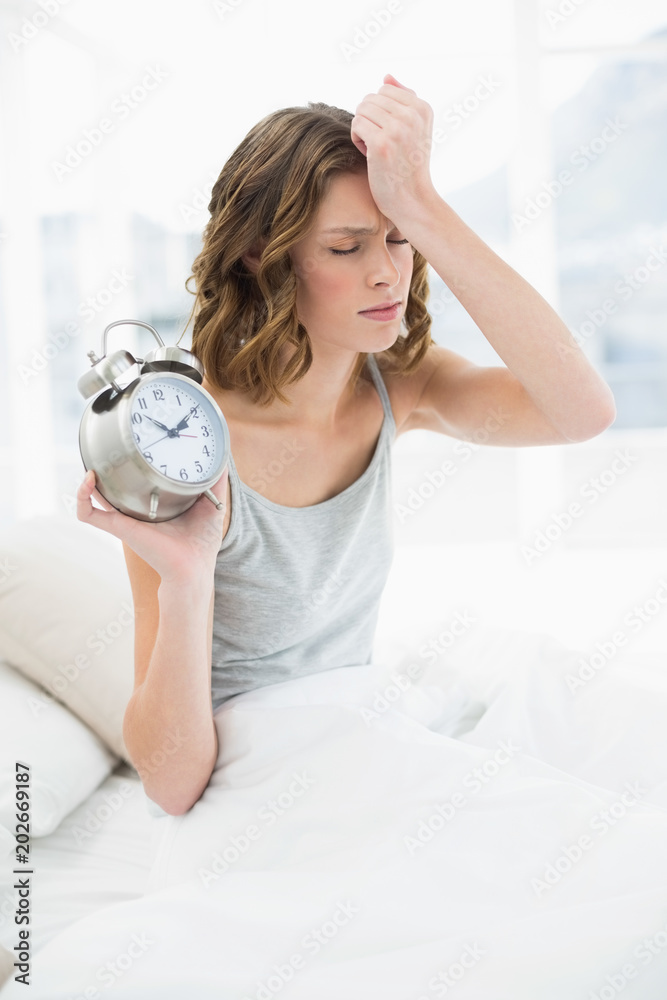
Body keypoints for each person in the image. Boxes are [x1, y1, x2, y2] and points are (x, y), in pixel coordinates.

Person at [76, 73, 616, 818]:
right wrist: (189, 575)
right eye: (345, 245)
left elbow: (580, 411)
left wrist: (421, 203)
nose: (385, 270)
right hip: (267, 791)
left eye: (397, 239)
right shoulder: (186, 450)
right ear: (261, 258)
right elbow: (172, 786)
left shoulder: (397, 385)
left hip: (368, 735)